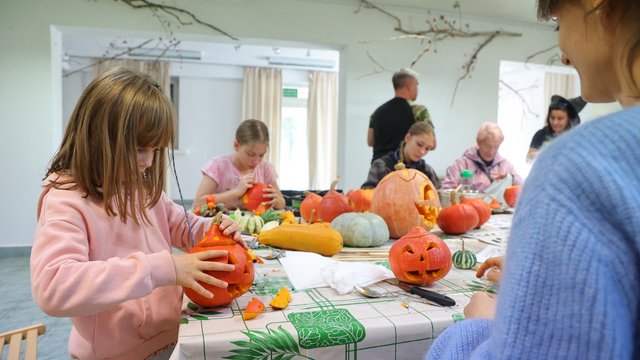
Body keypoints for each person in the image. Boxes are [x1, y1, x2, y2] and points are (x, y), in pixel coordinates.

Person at [427, 0, 640, 358]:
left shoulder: (577, 168)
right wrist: (545, 273)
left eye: (558, 23)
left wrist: (480, 328)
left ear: (596, 4)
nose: (563, 55)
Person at [30, 67, 243, 359]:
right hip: (112, 354)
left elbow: (184, 226)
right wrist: (162, 269)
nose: (148, 161)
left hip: (169, 338)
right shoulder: (66, 201)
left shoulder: (140, 190)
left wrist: (214, 229)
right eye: (140, 148)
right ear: (97, 138)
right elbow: (53, 286)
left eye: (156, 149)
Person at [193, 119, 285, 210]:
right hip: (224, 222)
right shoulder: (218, 166)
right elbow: (198, 203)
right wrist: (235, 192)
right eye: (251, 154)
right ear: (236, 145)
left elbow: (281, 204)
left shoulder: (265, 168)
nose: (256, 161)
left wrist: (276, 200)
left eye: (261, 155)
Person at [441, 122, 522, 192]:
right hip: (469, 208)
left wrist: (510, 177)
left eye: (496, 147)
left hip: (499, 208)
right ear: (478, 142)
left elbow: (520, 186)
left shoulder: (505, 165)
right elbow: (447, 189)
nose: (491, 152)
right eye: (487, 146)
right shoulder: (462, 164)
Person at [361, 121, 440, 189]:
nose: (422, 152)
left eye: (427, 148)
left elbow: (438, 195)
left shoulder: (428, 171)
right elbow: (366, 194)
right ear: (408, 137)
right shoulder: (383, 166)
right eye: (419, 144)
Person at [367, 68, 420, 163]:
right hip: (403, 170)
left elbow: (370, 141)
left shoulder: (377, 111)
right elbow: (431, 143)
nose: (417, 89)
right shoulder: (417, 111)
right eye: (416, 85)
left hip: (379, 168)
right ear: (409, 85)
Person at [526, 94, 586, 162]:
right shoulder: (541, 134)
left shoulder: (575, 139)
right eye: (552, 118)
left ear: (569, 119)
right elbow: (529, 159)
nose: (555, 122)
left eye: (560, 119)